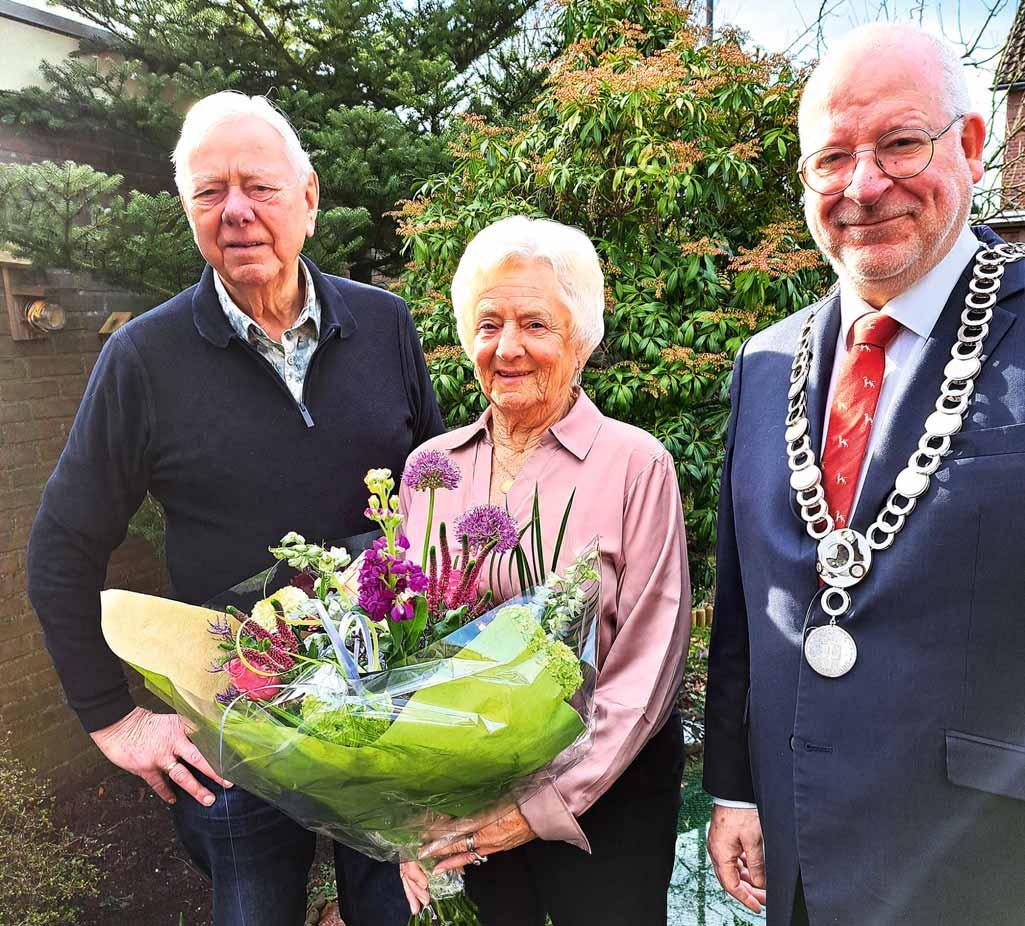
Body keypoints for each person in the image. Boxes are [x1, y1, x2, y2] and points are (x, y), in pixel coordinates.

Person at [26, 91, 444, 926]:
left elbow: (436, 498)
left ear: (308, 197)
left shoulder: (384, 324)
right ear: (188, 210)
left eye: (259, 186)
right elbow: (61, 548)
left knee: (388, 913)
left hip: (387, 710)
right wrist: (113, 719)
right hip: (236, 736)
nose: (237, 211)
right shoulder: (142, 359)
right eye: (210, 192)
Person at [703, 23, 1025, 926]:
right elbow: (746, 601)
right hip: (801, 852)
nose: (863, 185)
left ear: (969, 144)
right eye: (831, 158)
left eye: (899, 143)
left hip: (987, 862)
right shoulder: (765, 360)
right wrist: (734, 788)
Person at [395, 215, 690, 925]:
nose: (508, 347)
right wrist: (402, 806)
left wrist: (539, 807)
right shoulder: (430, 468)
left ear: (580, 338)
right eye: (488, 324)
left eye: (535, 324)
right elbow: (400, 641)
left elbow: (651, 662)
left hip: (607, 798)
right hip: (467, 785)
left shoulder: (635, 464)